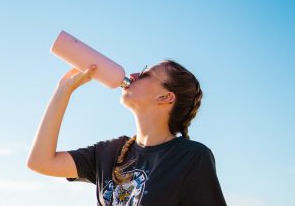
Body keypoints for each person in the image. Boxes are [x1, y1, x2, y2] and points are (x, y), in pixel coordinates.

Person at [27, 59, 227, 206]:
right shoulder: (109, 153)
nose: (133, 76)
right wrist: (63, 90)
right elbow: (40, 161)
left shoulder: (191, 157)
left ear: (165, 97)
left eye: (146, 74)